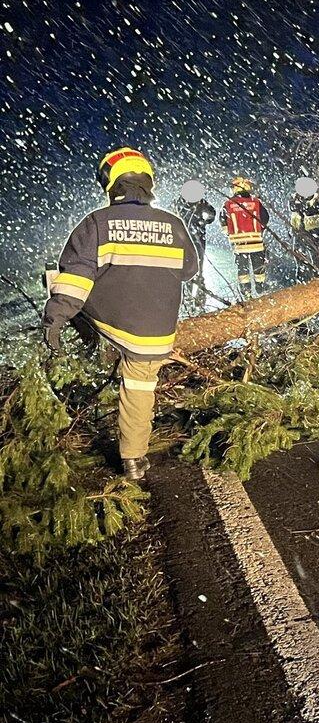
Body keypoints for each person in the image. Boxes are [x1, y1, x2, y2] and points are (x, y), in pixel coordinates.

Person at [42, 147, 199, 479]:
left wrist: (55, 318)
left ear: (111, 184)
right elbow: (188, 270)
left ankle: (87, 350)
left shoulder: (97, 223)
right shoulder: (173, 224)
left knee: (58, 277)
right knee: (140, 386)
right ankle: (133, 458)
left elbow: (74, 279)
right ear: (147, 182)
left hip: (114, 325)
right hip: (157, 333)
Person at [222, 176, 269, 298]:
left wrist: (231, 233)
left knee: (243, 270)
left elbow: (223, 221)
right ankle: (260, 290)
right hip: (256, 242)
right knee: (258, 267)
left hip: (239, 244)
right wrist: (259, 229)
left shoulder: (228, 204)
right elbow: (265, 218)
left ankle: (246, 293)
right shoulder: (256, 202)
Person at [175, 179, 216, 312]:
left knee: (187, 267)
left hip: (185, 239)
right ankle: (198, 298)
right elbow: (212, 213)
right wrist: (204, 222)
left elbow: (172, 216)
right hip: (197, 238)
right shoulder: (200, 202)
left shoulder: (179, 202)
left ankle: (187, 298)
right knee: (198, 268)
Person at [289, 176, 319, 270]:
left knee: (315, 253)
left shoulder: (317, 198)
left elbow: (311, 210)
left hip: (312, 230)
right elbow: (293, 208)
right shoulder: (295, 197)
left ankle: (317, 272)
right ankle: (302, 273)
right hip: (298, 230)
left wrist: (303, 205)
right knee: (298, 253)